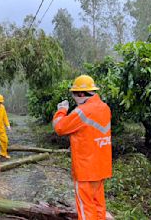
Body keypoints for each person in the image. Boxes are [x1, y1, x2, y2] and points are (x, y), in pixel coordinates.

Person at [52, 75, 112, 220]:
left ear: (80, 94)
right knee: (98, 204)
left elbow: (59, 128)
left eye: (74, 95)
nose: (74, 99)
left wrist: (61, 110)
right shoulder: (105, 108)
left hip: (85, 169)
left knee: (86, 208)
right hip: (101, 167)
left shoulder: (82, 112)